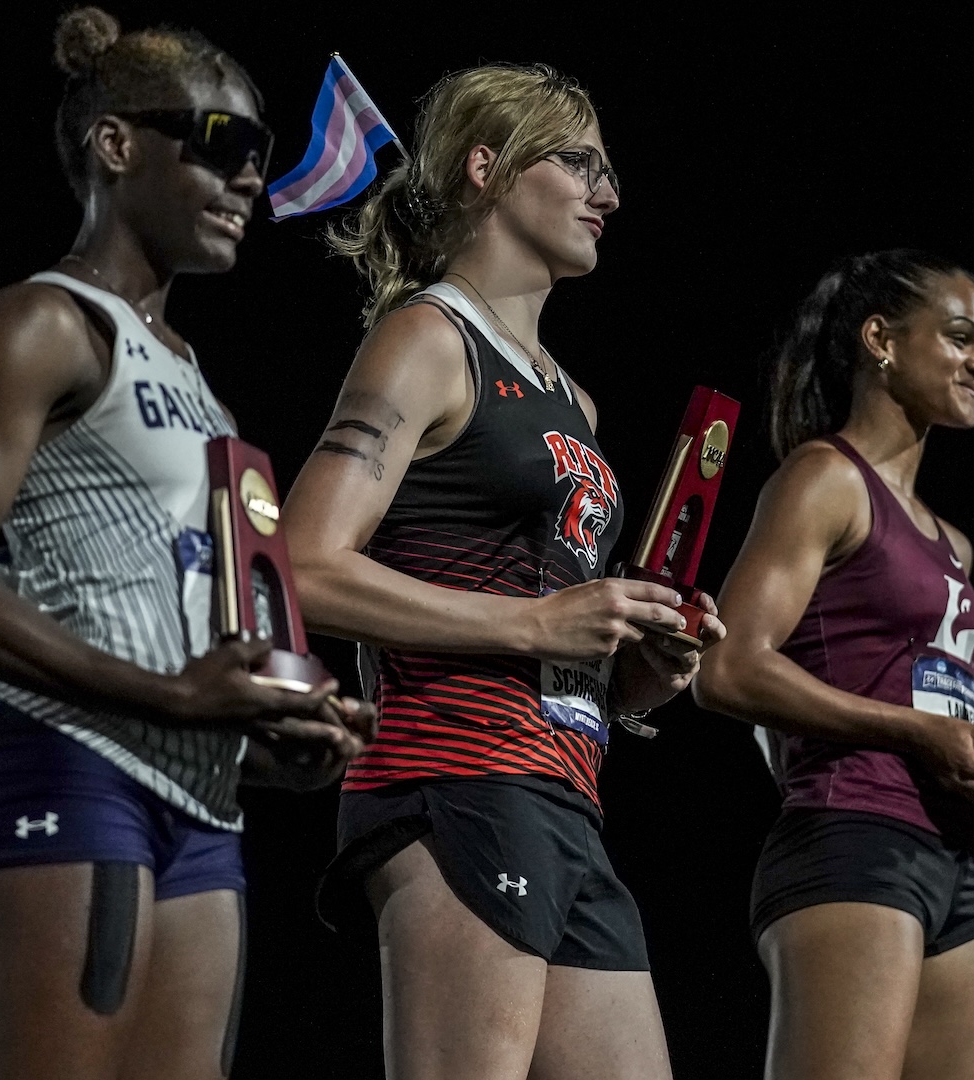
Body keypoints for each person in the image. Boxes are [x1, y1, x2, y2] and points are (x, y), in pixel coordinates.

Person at [0, 9, 373, 1078]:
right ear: (118, 145)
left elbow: (179, 634)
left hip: (201, 801)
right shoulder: (43, 322)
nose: (253, 179)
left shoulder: (204, 391)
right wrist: (177, 698)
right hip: (66, 760)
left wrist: (274, 728)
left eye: (267, 157)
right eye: (226, 144)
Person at [280, 63, 722, 1079]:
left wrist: (638, 673)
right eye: (580, 164)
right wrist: (536, 627)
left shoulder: (579, 401)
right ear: (487, 166)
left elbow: (551, 621)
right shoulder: (427, 337)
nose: (608, 194)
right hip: (453, 778)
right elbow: (302, 565)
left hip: (566, 793)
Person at [694, 250, 974, 1080]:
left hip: (956, 860)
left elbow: (931, 705)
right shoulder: (824, 479)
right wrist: (918, 734)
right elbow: (729, 669)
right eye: (961, 337)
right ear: (881, 339)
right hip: (852, 834)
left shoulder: (953, 542)